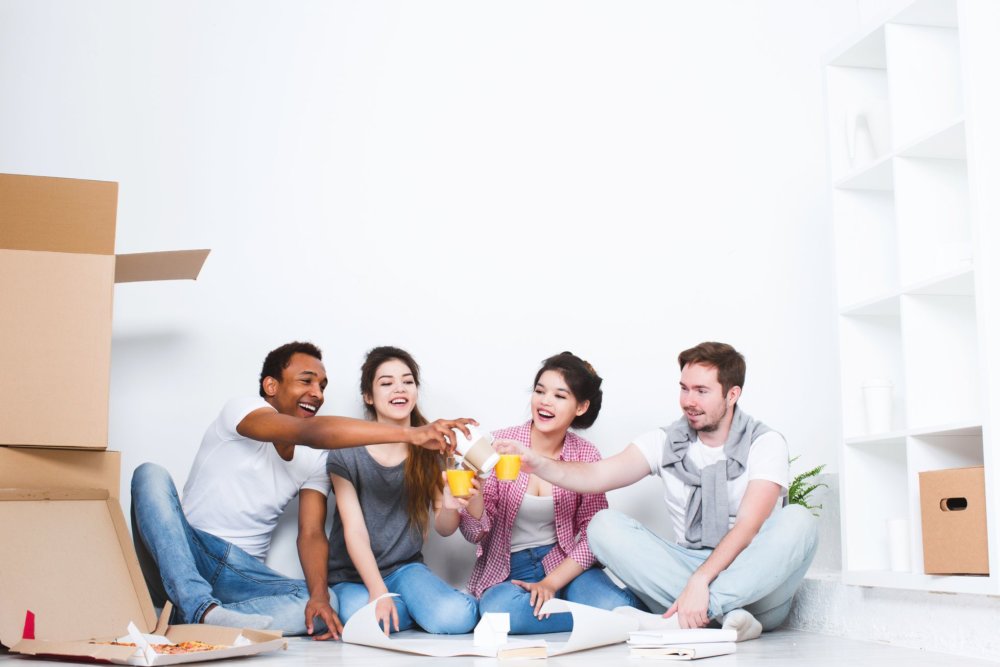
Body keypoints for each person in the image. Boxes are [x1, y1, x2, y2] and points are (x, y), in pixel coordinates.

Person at [130, 341, 473, 638]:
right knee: (149, 474)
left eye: (323, 386)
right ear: (271, 386)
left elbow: (311, 533)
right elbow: (305, 432)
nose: (317, 393)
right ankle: (197, 608)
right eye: (306, 381)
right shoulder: (242, 410)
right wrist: (411, 433)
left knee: (323, 609)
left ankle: (194, 616)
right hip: (190, 551)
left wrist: (320, 597)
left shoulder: (315, 461)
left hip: (244, 573)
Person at [497, 342, 818, 640]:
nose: (689, 401)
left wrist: (701, 582)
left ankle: (697, 614)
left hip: (756, 584)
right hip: (684, 571)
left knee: (800, 520)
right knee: (603, 525)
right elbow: (596, 475)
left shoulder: (764, 443)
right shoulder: (664, 442)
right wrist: (536, 462)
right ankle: (729, 619)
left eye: (702, 391)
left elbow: (749, 527)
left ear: (732, 395)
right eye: (684, 388)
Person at [459, 352, 645, 634]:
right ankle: (605, 620)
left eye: (560, 395)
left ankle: (616, 613)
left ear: (580, 407)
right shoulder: (500, 445)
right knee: (497, 613)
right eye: (539, 391)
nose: (544, 401)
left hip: (566, 566)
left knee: (611, 602)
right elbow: (474, 533)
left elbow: (594, 533)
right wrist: (475, 495)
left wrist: (552, 583)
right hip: (510, 570)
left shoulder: (585, 454)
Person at [325, 346, 479, 636]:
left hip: (405, 569)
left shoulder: (431, 449)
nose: (400, 388)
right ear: (368, 396)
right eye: (386, 382)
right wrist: (378, 592)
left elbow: (445, 529)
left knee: (456, 619)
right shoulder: (345, 453)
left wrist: (450, 503)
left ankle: (416, 606)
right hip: (352, 576)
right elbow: (354, 530)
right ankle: (411, 608)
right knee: (368, 622)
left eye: (408, 381)